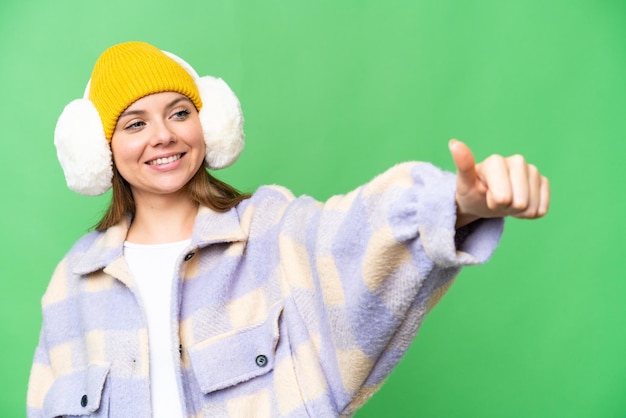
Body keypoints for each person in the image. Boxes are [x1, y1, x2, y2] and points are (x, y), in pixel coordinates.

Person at [27, 41, 549, 418]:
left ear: (208, 126)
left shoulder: (273, 230)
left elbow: (360, 233)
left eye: (179, 112)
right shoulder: (72, 281)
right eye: (135, 123)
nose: (163, 136)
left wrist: (458, 205)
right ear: (101, 152)